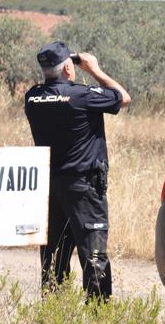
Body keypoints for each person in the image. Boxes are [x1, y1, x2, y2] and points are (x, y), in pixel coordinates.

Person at [24, 41, 131, 300]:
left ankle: (54, 312)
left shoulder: (32, 97)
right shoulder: (82, 95)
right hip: (84, 188)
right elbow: (123, 98)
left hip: (50, 188)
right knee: (93, 256)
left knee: (53, 257)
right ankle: (98, 315)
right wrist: (94, 69)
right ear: (69, 68)